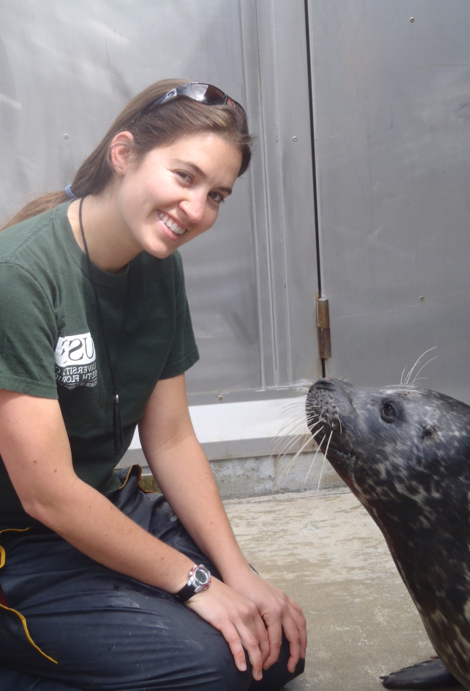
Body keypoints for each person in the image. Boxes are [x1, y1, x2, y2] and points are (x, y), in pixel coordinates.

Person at [0, 79, 307, 691]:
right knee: (216, 670)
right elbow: (49, 496)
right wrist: (195, 584)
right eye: (185, 177)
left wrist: (236, 573)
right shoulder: (19, 275)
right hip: (23, 545)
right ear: (123, 154)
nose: (197, 211)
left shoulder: (160, 265)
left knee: (272, 649)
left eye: (217, 194)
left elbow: (170, 440)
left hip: (108, 508)